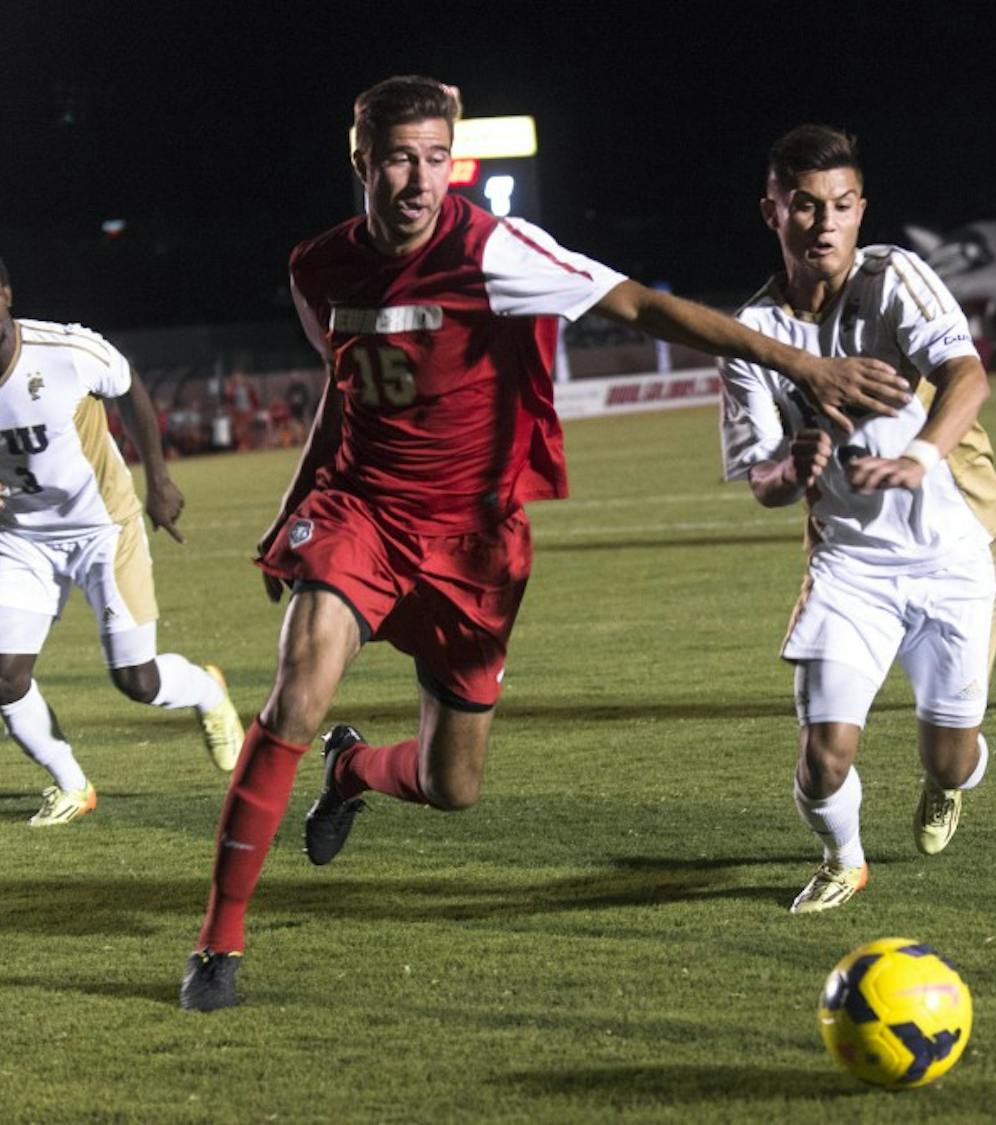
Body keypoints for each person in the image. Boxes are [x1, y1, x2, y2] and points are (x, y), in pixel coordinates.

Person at [180, 77, 912, 1010]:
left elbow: (643, 308)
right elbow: (343, 390)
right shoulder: (315, 268)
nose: (418, 179)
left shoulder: (496, 249)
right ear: (361, 160)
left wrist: (803, 361)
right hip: (363, 515)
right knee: (294, 693)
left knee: (453, 785)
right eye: (400, 157)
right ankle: (218, 945)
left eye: (436, 158)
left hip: (476, 545)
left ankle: (355, 766)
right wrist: (295, 510)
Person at [720, 125, 996, 914]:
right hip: (849, 568)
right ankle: (843, 858)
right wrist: (795, 464)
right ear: (771, 212)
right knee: (824, 755)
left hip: (948, 557)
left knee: (948, 759)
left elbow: (966, 375)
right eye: (805, 207)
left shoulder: (893, 278)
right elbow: (763, 482)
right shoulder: (750, 339)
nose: (824, 224)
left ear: (860, 210)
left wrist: (917, 456)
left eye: (841, 206)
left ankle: (948, 783)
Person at [0, 256, 244, 826]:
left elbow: (129, 386)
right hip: (21, 538)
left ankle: (206, 691)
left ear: (6, 293)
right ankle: (72, 785)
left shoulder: (64, 352)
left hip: (103, 528)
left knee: (137, 681)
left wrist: (157, 478)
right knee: (5, 676)